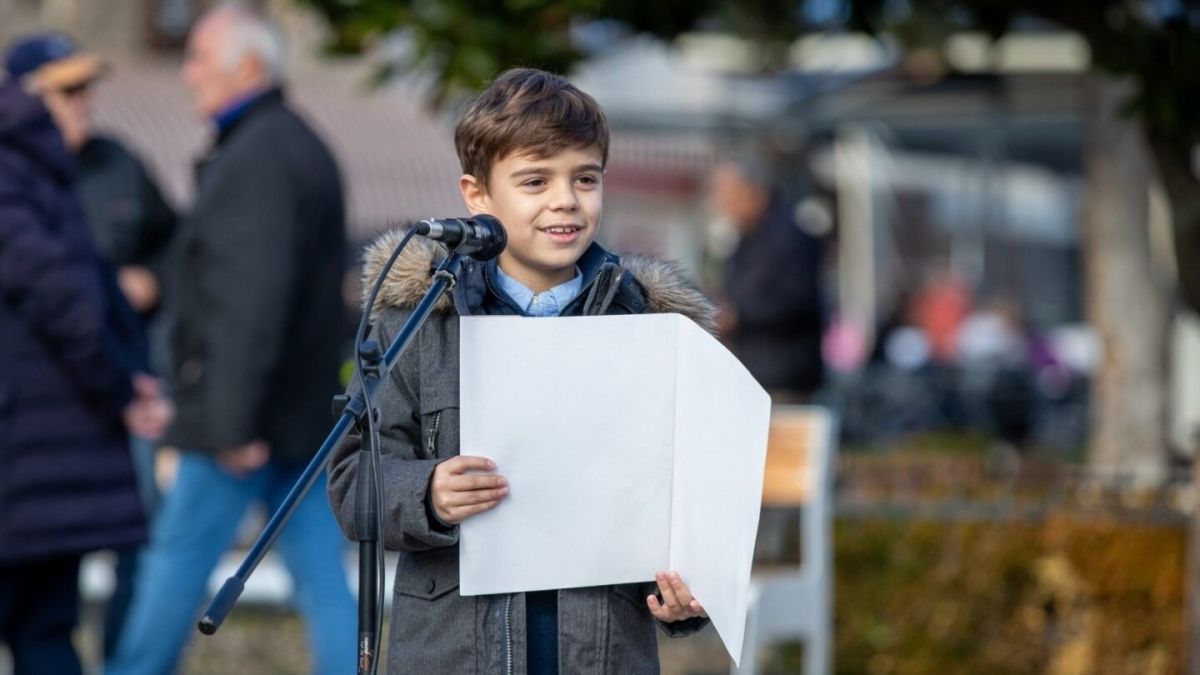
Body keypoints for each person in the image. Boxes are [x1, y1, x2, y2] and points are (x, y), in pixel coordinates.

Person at [327, 68, 713, 675]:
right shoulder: (417, 323)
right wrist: (427, 492)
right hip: (451, 655)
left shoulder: (649, 327)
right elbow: (353, 481)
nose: (566, 200)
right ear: (476, 194)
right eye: (535, 180)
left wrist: (684, 595)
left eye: (585, 178)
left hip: (602, 655)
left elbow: (687, 499)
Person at [106, 5, 355, 675]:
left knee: (175, 564)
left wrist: (232, 423)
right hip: (297, 416)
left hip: (240, 424)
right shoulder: (290, 142)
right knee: (323, 577)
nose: (188, 74)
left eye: (199, 60)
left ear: (247, 68)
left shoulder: (258, 157)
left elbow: (250, 303)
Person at [4, 30, 179, 658]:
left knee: (52, 624)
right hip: (43, 433)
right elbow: (61, 296)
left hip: (81, 431)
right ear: (24, 98)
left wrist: (150, 282)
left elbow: (171, 244)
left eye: (86, 87)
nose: (83, 101)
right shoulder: (18, 173)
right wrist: (122, 388)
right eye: (66, 90)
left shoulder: (111, 161)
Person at [713, 159, 826, 401]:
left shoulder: (791, 237)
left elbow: (797, 300)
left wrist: (739, 316)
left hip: (786, 378)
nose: (725, 206)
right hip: (753, 373)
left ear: (754, 192)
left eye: (731, 197)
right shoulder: (744, 240)